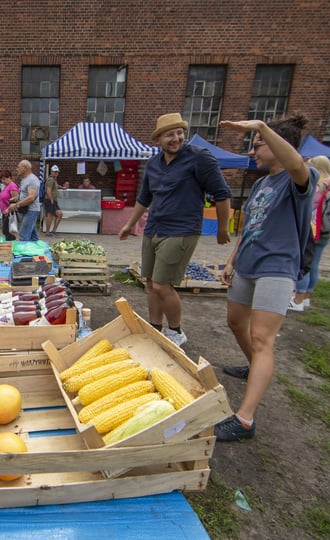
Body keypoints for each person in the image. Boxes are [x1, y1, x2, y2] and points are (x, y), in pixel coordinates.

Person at [216, 114, 317, 441]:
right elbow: (249, 229)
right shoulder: (261, 184)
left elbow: (297, 165)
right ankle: (256, 364)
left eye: (258, 145)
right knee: (235, 322)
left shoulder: (299, 178)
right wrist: (231, 260)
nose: (254, 151)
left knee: (262, 339)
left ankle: (244, 420)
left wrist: (261, 127)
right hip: (247, 264)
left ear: (277, 143)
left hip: (277, 268)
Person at [118, 113, 231, 347]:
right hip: (154, 228)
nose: (176, 138)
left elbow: (221, 193)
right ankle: (155, 328)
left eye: (179, 133)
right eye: (170, 134)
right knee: (149, 282)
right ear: (158, 139)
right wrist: (130, 224)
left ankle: (177, 331)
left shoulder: (199, 158)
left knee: (162, 284)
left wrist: (222, 228)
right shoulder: (154, 164)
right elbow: (144, 197)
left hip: (181, 230)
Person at [289, 156, 330, 311]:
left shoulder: (316, 184)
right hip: (326, 228)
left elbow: (306, 204)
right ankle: (307, 296)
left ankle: (298, 299)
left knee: (303, 262)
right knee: (314, 263)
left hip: (312, 227)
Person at [8, 160, 41, 241]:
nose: (17, 169)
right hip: (27, 210)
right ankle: (37, 251)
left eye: (18, 167)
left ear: (25, 168)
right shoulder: (25, 179)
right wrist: (17, 198)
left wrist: (16, 205)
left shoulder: (32, 180)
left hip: (31, 210)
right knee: (33, 236)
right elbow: (25, 194)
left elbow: (31, 198)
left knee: (23, 235)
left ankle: (22, 253)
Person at [0, 170, 19, 241]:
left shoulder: (12, 186)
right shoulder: (6, 186)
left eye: (4, 179)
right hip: (5, 212)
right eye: (2, 179)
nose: (3, 181)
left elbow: (15, 199)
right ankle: (9, 242)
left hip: (9, 212)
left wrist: (9, 209)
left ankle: (12, 240)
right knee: (5, 230)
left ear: (9, 177)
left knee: (6, 230)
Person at [43, 165, 63, 237]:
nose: (56, 173)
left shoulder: (54, 179)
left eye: (57, 172)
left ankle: (52, 231)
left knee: (57, 214)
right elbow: (48, 190)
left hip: (52, 200)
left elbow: (56, 186)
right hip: (50, 200)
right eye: (55, 172)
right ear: (51, 172)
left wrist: (63, 187)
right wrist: (51, 200)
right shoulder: (51, 179)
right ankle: (48, 232)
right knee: (51, 215)